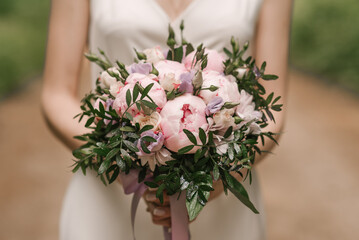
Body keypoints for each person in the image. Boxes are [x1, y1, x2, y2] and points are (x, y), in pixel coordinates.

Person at [41, 0, 292, 239]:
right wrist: (126, 171)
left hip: (222, 200)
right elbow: (56, 94)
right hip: (110, 197)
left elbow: (272, 110)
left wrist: (215, 182)